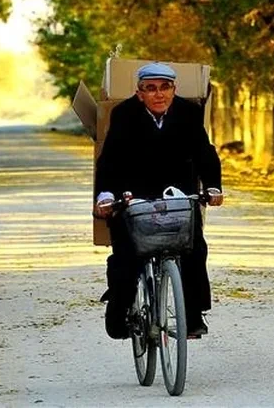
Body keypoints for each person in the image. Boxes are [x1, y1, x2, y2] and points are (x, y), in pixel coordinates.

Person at [94, 62, 224, 340]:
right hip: (134, 198)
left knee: (194, 250)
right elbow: (110, 158)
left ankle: (193, 316)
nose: (158, 94)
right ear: (139, 93)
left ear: (174, 90)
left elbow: (204, 153)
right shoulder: (124, 113)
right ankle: (119, 311)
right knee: (126, 257)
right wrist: (106, 195)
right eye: (150, 88)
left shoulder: (189, 113)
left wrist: (213, 187)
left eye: (165, 87)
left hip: (177, 198)